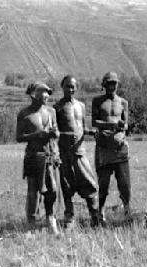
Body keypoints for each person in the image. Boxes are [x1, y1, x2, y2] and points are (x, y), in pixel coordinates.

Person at [54, 75, 99, 228]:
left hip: (80, 151)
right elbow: (55, 131)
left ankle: (94, 215)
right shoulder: (57, 107)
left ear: (76, 88)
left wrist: (91, 132)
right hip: (64, 152)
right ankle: (69, 217)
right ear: (62, 87)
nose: (70, 89)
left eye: (73, 86)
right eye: (67, 86)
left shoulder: (81, 106)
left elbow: (83, 127)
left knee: (89, 182)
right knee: (66, 185)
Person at [16, 82, 60, 235]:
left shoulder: (51, 112)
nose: (46, 96)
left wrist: (54, 134)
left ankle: (50, 218)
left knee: (52, 190)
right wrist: (37, 135)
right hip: (33, 157)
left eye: (48, 93)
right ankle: (31, 224)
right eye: (43, 92)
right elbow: (19, 137)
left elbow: (57, 132)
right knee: (33, 192)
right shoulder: (24, 114)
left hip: (49, 157)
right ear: (34, 95)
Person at [92, 72, 131, 225]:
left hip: (120, 146)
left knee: (124, 182)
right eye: (108, 83)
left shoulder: (123, 102)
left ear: (117, 84)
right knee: (103, 182)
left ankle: (127, 211)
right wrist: (110, 125)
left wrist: (122, 127)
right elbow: (94, 122)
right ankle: (100, 211)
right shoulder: (98, 101)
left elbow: (126, 124)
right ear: (104, 85)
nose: (111, 86)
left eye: (114, 83)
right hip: (104, 146)